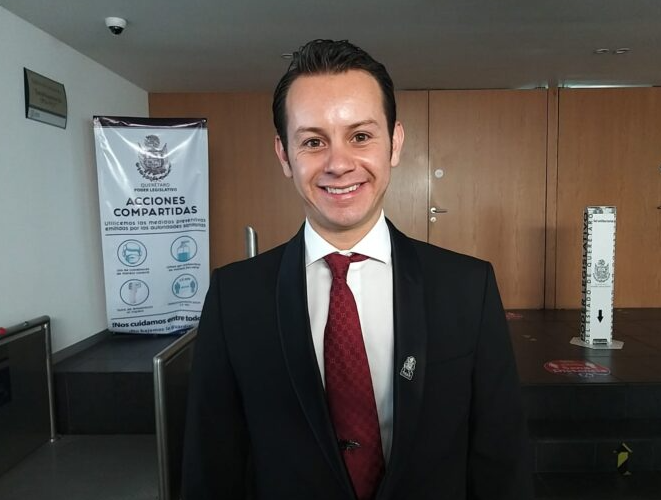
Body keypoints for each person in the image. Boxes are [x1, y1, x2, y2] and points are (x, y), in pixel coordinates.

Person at [182, 39, 533, 500]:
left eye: (361, 136)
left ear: (395, 143)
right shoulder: (234, 297)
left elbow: (501, 460)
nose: (339, 164)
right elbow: (212, 466)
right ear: (284, 155)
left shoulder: (468, 288)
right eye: (313, 142)